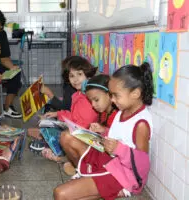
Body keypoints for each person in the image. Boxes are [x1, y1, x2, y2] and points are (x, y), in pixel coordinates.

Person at [54, 63, 154, 200]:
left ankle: (106, 185)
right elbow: (120, 135)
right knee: (67, 136)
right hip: (108, 160)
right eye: (111, 95)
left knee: (60, 194)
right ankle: (91, 179)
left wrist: (119, 149)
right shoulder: (122, 111)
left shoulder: (141, 124)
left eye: (116, 95)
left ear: (136, 93)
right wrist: (104, 131)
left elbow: (142, 164)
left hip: (121, 174)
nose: (112, 100)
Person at [32, 57, 98, 161]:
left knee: (57, 134)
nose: (75, 79)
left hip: (84, 137)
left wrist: (66, 125)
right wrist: (57, 114)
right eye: (72, 76)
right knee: (45, 127)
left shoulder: (88, 97)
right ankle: (55, 150)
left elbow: (85, 124)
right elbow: (72, 114)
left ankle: (61, 157)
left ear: (87, 74)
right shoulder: (77, 94)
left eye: (79, 74)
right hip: (76, 130)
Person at [60, 74, 118, 176]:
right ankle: (82, 170)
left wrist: (103, 130)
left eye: (96, 100)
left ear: (109, 95)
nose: (93, 105)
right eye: (91, 101)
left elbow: (119, 143)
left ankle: (87, 171)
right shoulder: (103, 112)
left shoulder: (118, 114)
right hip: (99, 151)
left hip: (110, 159)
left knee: (67, 136)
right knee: (65, 135)